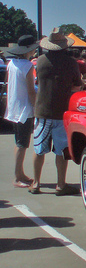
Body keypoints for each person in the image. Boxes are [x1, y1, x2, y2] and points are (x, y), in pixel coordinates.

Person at [30, 27, 84, 195]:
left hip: (42, 111)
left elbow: (38, 81)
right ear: (64, 46)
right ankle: (61, 184)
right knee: (61, 150)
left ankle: (36, 183)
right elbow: (77, 84)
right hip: (62, 112)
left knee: (39, 149)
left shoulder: (40, 61)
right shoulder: (71, 63)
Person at [4, 35, 38, 188]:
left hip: (13, 108)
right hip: (24, 109)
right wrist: (36, 107)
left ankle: (20, 173)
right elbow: (31, 91)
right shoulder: (28, 65)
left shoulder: (12, 63)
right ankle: (18, 177)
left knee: (19, 142)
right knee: (23, 143)